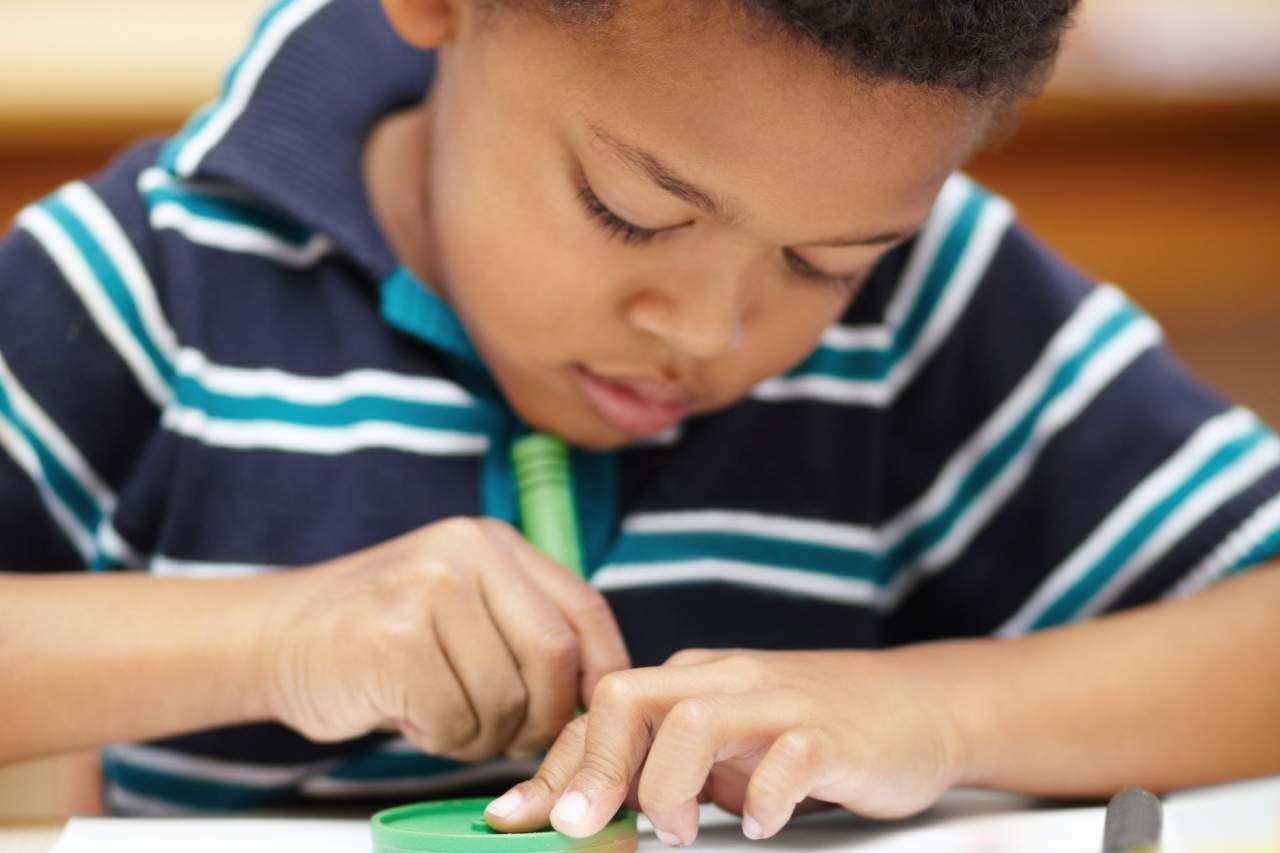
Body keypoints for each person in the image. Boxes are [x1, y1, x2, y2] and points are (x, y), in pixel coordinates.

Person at [2, 0, 1278, 842]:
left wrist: (935, 714)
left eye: (825, 265)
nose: (707, 330)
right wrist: (267, 639)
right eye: (632, 211)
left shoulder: (933, 300)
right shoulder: (146, 286)